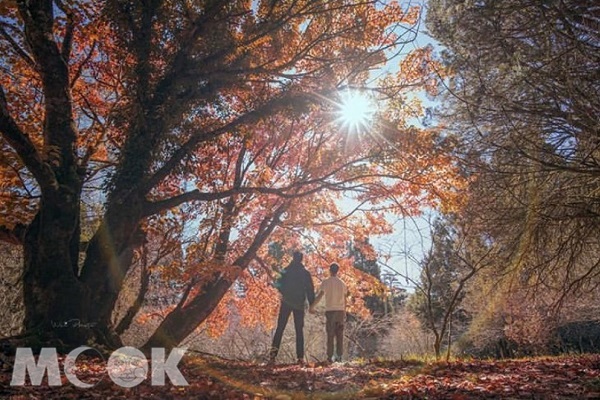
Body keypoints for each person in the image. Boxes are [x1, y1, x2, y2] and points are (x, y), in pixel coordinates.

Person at [269, 251, 315, 364]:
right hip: (299, 304)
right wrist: (311, 304)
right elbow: (310, 290)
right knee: (299, 331)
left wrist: (284, 293)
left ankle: (272, 356)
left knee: (280, 328)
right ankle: (300, 358)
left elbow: (277, 284)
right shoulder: (305, 273)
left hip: (286, 302)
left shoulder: (286, 270)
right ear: (301, 259)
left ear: (293, 258)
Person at [309, 263, 347, 363]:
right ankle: (339, 356)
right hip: (340, 311)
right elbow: (345, 298)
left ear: (330, 270)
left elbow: (320, 295)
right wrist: (345, 312)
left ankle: (329, 357)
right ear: (337, 271)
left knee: (330, 334)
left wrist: (312, 306)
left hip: (330, 311)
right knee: (339, 334)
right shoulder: (342, 283)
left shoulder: (326, 282)